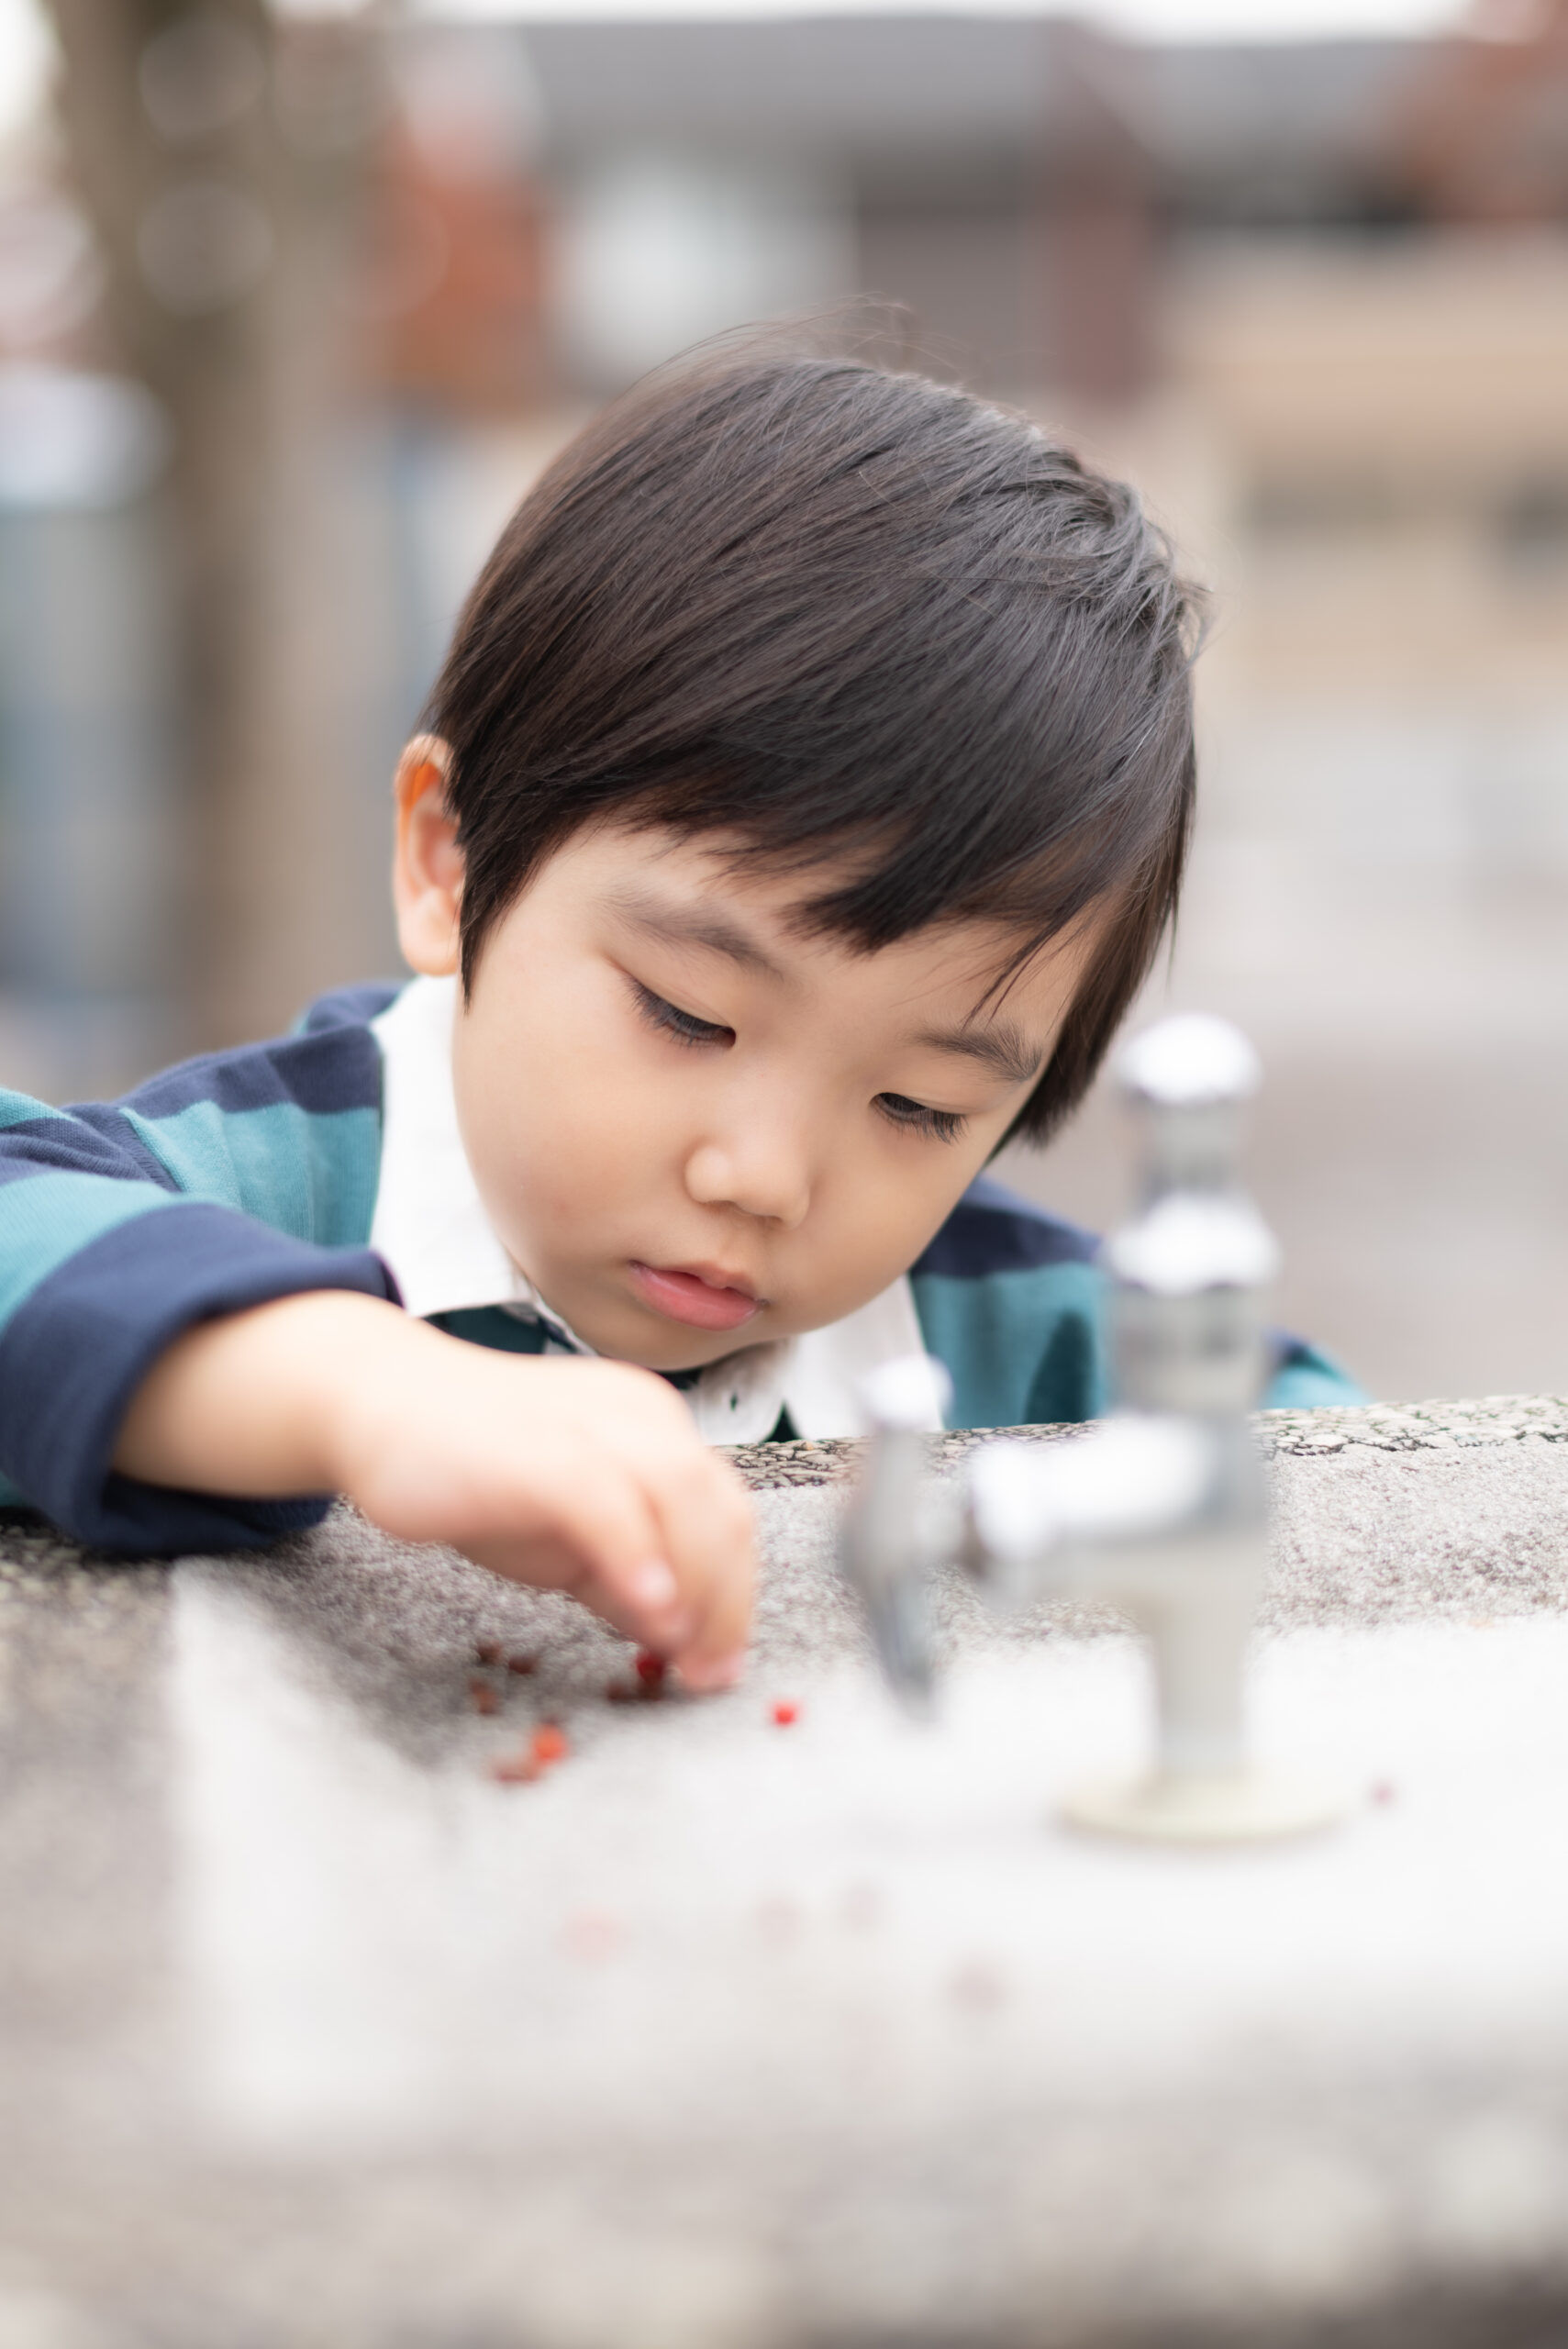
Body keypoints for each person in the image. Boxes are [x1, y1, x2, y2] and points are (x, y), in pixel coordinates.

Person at [0, 347, 1356, 1690]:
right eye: (688, 1016)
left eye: (916, 1108)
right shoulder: (277, 1177)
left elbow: (1367, 1473)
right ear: (447, 863)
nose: (761, 1177)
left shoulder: (1004, 1321)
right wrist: (357, 1390)